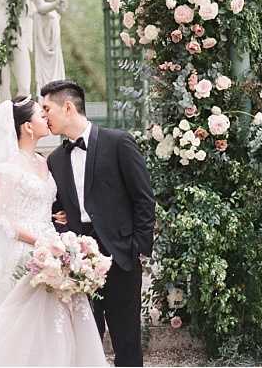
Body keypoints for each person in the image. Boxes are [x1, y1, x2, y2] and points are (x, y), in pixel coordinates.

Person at [0, 96, 107, 367]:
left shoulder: (44, 161)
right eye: (40, 114)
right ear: (27, 127)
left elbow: (42, 200)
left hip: (53, 248)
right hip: (26, 252)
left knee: (62, 316)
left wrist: (56, 217)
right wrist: (39, 241)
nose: (46, 117)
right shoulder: (8, 168)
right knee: (23, 325)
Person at [43, 79, 156, 368]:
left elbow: (144, 198)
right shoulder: (55, 159)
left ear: (67, 107)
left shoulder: (117, 142)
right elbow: (55, 210)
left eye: (47, 109)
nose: (44, 117)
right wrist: (60, 230)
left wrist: (138, 249)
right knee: (85, 341)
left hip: (121, 255)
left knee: (127, 341)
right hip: (78, 260)